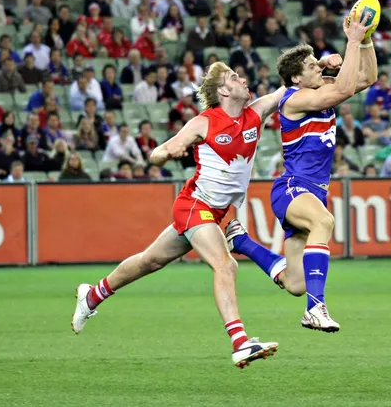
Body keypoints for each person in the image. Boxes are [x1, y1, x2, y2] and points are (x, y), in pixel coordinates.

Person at [72, 61, 286, 368]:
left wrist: (321, 65)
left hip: (214, 213)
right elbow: (159, 152)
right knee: (225, 265)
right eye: (233, 77)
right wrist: (165, 154)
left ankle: (92, 295)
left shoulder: (257, 112)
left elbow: (289, 86)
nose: (242, 79)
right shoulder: (204, 122)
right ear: (224, 90)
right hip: (194, 205)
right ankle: (240, 342)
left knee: (150, 260)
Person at [224, 10, 376, 333]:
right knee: (324, 221)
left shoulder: (318, 91)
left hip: (310, 191)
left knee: (295, 282)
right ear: (296, 78)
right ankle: (316, 309)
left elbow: (366, 79)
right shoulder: (295, 99)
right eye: (311, 66)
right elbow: (346, 89)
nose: (318, 66)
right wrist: (351, 41)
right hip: (293, 188)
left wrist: (366, 40)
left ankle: (243, 242)